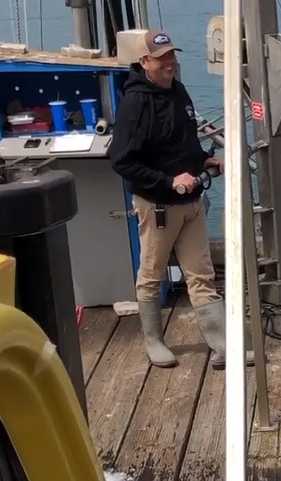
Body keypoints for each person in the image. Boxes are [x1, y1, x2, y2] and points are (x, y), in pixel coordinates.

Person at [109, 28, 252, 370]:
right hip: (158, 206)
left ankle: (222, 346)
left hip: (191, 203)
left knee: (201, 274)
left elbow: (183, 142)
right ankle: (154, 340)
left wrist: (203, 160)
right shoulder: (135, 103)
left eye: (172, 56)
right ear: (144, 62)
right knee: (152, 274)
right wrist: (168, 181)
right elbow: (121, 160)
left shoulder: (179, 92)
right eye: (162, 59)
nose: (170, 64)